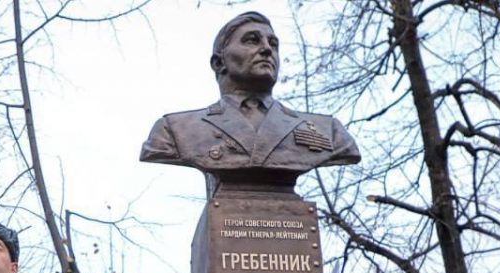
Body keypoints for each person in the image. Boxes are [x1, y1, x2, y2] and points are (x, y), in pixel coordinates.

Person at [140, 12, 359, 189]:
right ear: (219, 63)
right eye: (252, 40)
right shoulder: (175, 130)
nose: (266, 49)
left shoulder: (329, 131)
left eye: (273, 44)